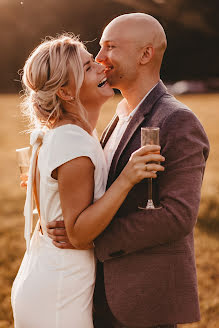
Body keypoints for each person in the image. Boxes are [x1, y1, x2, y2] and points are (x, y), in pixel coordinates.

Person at [47, 13, 210, 328]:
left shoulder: (177, 121)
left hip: (143, 300)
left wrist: (90, 236)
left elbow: (178, 216)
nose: (100, 58)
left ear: (145, 54)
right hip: (100, 294)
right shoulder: (118, 115)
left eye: (111, 47)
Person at [11, 34, 165, 328]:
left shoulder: (72, 134)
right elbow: (79, 234)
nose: (101, 65)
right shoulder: (73, 142)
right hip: (59, 293)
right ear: (67, 92)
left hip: (50, 278)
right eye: (87, 66)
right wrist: (128, 178)